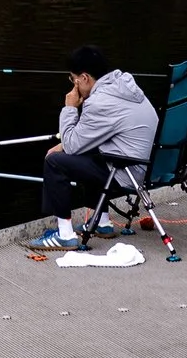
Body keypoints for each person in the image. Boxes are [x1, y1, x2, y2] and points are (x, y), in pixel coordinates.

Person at [23, 45, 158, 252]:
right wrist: (64, 145)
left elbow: (73, 145)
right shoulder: (125, 87)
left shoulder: (100, 102)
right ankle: (101, 223)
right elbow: (85, 139)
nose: (72, 86)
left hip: (124, 173)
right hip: (140, 166)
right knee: (90, 152)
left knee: (54, 162)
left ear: (84, 78)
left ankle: (65, 236)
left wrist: (69, 108)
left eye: (72, 80)